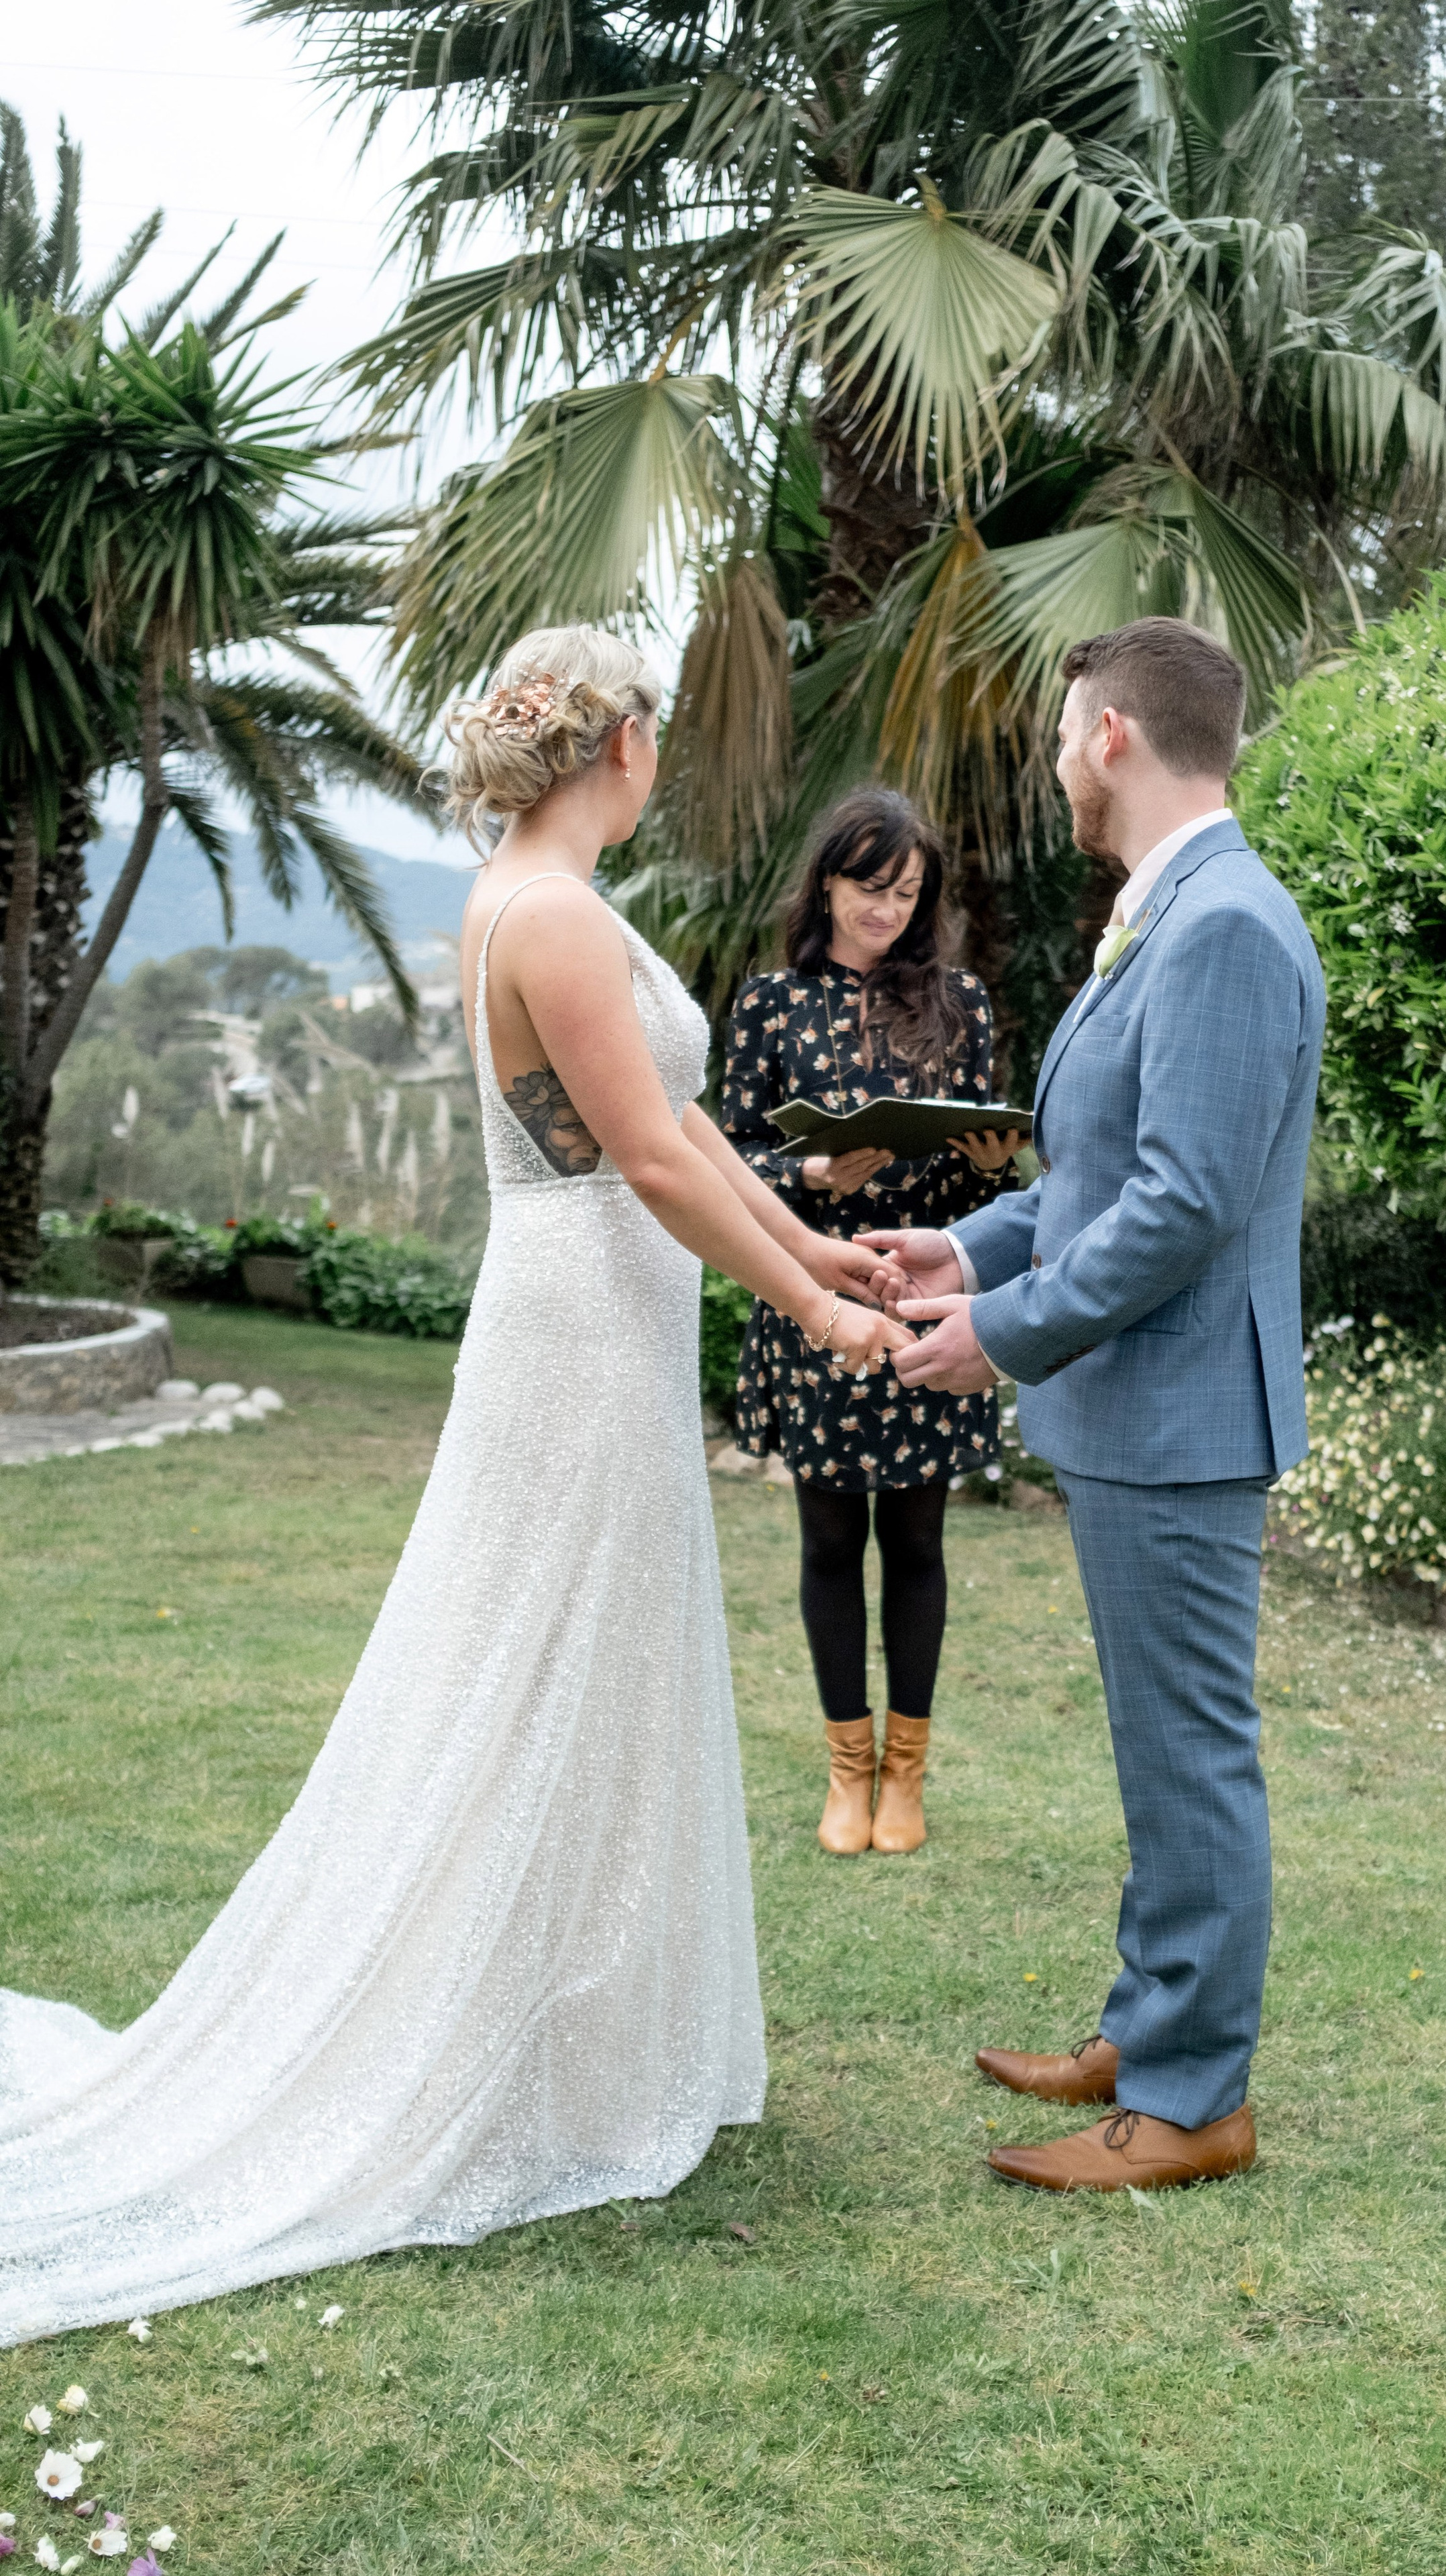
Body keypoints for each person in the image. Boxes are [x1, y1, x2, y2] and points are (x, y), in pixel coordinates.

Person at [0, 625, 909, 2341]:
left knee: (603, 1672)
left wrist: (819, 1251)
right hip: (573, 1320)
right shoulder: (549, 911)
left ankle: (574, 2044)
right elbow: (637, 1156)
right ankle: (510, 2056)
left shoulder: (549, 892)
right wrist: (805, 1313)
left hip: (603, 1315)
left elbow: (690, 1134)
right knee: (534, 1671)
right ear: (615, 743)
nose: (666, 750)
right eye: (654, 724)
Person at [863, 617, 1326, 2194]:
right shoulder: (1166, 912)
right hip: (1145, 1409)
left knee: (1190, 1754)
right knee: (1156, 1747)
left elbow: (1184, 1205)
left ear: (1113, 735)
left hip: (1184, 1413)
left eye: (1065, 735)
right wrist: (966, 1244)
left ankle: (1193, 2103)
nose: (1055, 762)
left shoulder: (1223, 929)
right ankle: (1148, 2028)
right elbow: (1100, 1173)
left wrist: (999, 1333)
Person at [722, 788, 1020, 1856]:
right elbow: (724, 1160)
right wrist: (806, 1166)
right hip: (817, 1302)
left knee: (920, 1537)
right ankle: (845, 1774)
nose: (886, 911)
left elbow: (991, 1178)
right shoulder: (769, 1005)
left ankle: (908, 1777)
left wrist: (991, 1163)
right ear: (827, 884)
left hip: (922, 1298)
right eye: (866, 888)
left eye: (905, 892)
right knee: (831, 1536)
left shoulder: (960, 1004)